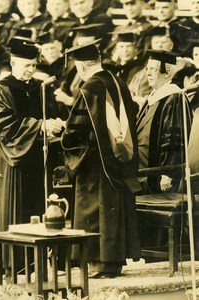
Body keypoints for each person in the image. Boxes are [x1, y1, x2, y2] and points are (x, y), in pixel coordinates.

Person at [61, 40, 141, 278]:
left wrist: (64, 133)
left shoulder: (90, 88)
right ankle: (113, 263)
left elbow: (78, 131)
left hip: (95, 163)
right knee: (112, 208)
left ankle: (99, 263)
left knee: (96, 209)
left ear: (82, 66)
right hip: (119, 159)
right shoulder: (117, 82)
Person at [0, 37, 65, 275]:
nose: (31, 70)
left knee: (39, 210)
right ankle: (15, 267)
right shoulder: (0, 90)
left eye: (33, 65)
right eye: (26, 65)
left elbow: (50, 114)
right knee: (18, 211)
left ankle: (38, 265)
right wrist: (40, 126)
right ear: (13, 62)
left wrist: (55, 122)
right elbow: (5, 126)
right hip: (14, 162)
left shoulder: (39, 87)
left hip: (38, 160)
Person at [136, 50, 193, 194]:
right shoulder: (154, 96)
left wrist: (168, 174)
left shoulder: (173, 97)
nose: (147, 73)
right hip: (145, 171)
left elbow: (173, 140)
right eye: (147, 68)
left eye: (153, 69)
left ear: (166, 73)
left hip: (160, 176)